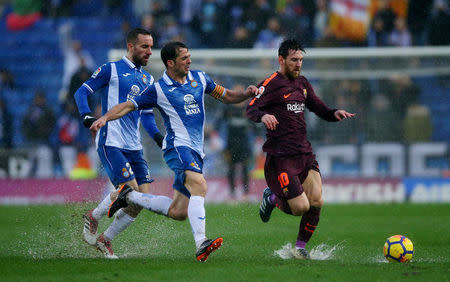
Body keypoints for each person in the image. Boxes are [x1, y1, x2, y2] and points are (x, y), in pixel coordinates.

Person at [90, 41, 258, 262]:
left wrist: (246, 94)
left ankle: (126, 201)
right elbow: (128, 106)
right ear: (170, 62)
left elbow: (226, 96)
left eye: (189, 56)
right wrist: (104, 117)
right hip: (177, 148)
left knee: (179, 211)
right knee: (199, 184)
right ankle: (201, 243)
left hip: (196, 150)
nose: (189, 60)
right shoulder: (158, 89)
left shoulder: (200, 79)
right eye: (184, 58)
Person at [246, 39, 355, 259]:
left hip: (304, 154)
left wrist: (333, 113)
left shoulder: (303, 83)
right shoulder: (270, 84)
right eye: (294, 60)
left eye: (301, 60)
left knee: (316, 202)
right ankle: (272, 199)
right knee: (300, 207)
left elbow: (317, 106)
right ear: (281, 59)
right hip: (281, 158)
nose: (298, 64)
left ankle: (300, 248)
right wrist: (264, 115)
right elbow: (251, 109)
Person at [74, 28, 170, 259]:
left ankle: (105, 240)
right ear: (130, 46)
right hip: (111, 139)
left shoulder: (148, 78)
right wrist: (87, 116)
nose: (149, 52)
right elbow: (81, 92)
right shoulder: (111, 69)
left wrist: (158, 138)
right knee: (129, 191)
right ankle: (93, 216)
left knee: (141, 200)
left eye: (151, 47)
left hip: (134, 145)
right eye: (144, 47)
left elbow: (147, 116)